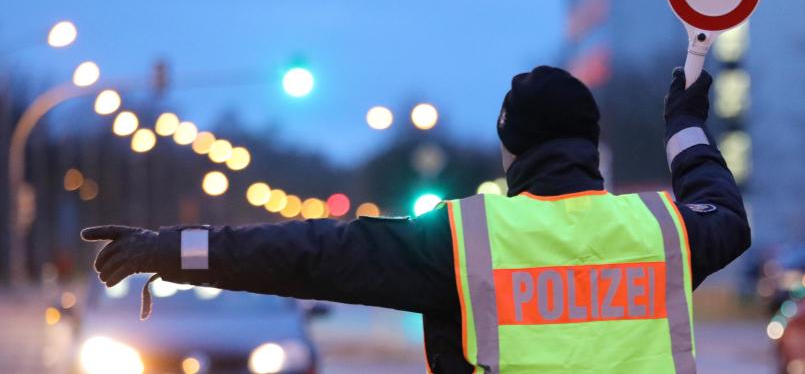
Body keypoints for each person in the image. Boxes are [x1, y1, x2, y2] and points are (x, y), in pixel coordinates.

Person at [82, 66, 750, 373]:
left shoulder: (466, 240)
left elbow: (309, 251)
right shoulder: (661, 232)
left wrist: (172, 248)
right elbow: (725, 212)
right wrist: (684, 125)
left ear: (510, 148)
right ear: (587, 141)